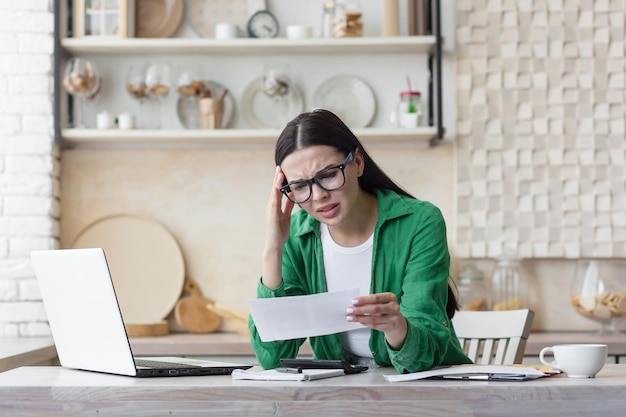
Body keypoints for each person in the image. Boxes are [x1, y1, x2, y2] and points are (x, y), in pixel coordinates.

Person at [249, 109, 472, 373]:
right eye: (299, 186)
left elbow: (421, 359)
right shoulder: (297, 235)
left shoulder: (420, 222)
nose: (318, 195)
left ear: (357, 162)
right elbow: (272, 358)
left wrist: (396, 326)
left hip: (428, 393)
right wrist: (273, 248)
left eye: (329, 175)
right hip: (346, 397)